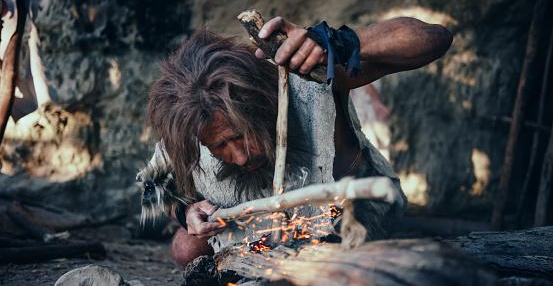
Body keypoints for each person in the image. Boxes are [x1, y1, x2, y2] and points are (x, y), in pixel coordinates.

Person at [146, 16, 452, 266]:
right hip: (262, 233)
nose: (239, 157)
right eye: (219, 146)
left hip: (342, 222)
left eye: (240, 136)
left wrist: (338, 43)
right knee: (187, 248)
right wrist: (186, 213)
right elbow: (154, 185)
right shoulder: (189, 125)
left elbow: (434, 38)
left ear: (260, 104)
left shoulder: (308, 88)